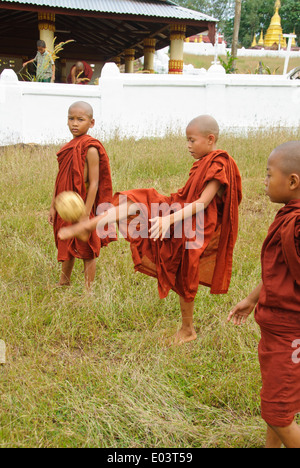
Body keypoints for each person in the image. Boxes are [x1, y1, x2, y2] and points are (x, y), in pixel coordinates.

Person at [58, 115, 242, 344]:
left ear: (210, 139)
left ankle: (187, 330)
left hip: (195, 223)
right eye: (187, 140)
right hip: (181, 211)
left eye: (192, 140)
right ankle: (89, 224)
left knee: (185, 272)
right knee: (138, 199)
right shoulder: (205, 161)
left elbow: (202, 203)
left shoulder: (219, 163)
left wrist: (168, 220)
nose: (188, 145)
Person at [228, 141, 300, 449]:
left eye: (269, 174)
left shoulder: (297, 224)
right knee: (276, 406)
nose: (265, 181)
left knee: (278, 413)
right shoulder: (288, 216)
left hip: (290, 334)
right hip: (276, 330)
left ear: (293, 181)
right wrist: (252, 298)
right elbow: (280, 271)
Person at [48, 101, 116, 289]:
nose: (75, 123)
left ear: (91, 122)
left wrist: (86, 213)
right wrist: (53, 206)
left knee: (87, 247)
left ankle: (89, 290)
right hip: (66, 205)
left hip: (84, 205)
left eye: (80, 119)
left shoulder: (91, 148)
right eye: (71, 119)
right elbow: (59, 179)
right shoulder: (68, 148)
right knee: (66, 243)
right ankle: (64, 282)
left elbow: (94, 183)